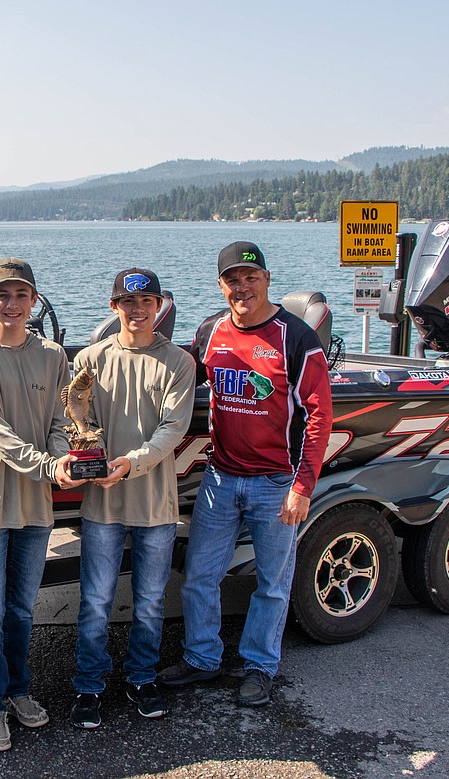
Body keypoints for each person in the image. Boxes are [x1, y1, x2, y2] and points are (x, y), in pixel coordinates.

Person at [159, 241, 332, 706]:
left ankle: (260, 665)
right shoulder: (209, 332)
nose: (242, 287)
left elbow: (320, 417)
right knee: (199, 577)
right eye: (232, 280)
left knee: (272, 584)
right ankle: (201, 658)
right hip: (220, 479)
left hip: (277, 484)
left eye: (250, 277)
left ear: (267, 279)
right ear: (220, 286)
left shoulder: (295, 338)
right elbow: (175, 381)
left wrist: (302, 486)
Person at [0, 257, 80, 752]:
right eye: (2, 295)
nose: (12, 304)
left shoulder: (53, 356)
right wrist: (51, 467)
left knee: (22, 610)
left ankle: (18, 690)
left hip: (35, 504)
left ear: (34, 302)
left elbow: (57, 420)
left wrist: (64, 456)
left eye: (21, 295)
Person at [68, 268, 196, 729]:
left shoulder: (179, 362)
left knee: (150, 601)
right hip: (101, 504)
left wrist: (130, 463)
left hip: (155, 505)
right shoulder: (91, 359)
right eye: (128, 302)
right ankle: (89, 683)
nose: (138, 310)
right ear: (114, 307)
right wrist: (83, 451)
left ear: (159, 305)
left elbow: (173, 429)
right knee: (96, 600)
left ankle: (142, 677)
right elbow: (76, 415)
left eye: (147, 302)